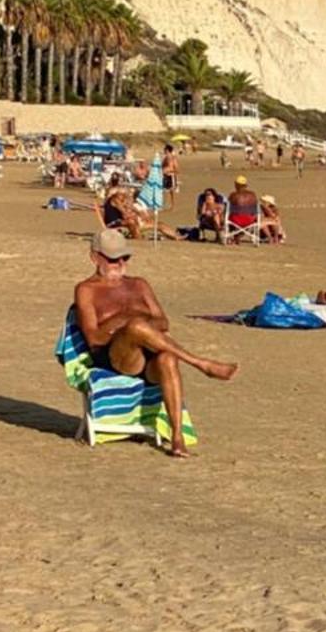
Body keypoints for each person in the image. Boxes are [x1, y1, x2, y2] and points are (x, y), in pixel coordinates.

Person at [74, 229, 237, 457]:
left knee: (167, 358)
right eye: (113, 259)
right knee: (135, 326)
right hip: (115, 357)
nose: (120, 263)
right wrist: (125, 323)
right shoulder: (86, 291)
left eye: (125, 257)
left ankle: (177, 438)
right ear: (95, 257)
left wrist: (136, 323)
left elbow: (162, 321)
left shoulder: (139, 285)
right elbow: (93, 337)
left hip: (147, 355)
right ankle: (201, 364)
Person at [226, 175, 260, 239]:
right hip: (250, 220)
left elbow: (228, 208)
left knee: (228, 215)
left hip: (236, 220)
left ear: (237, 185)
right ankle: (239, 235)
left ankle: (235, 236)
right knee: (249, 215)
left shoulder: (233, 195)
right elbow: (255, 207)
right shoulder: (252, 195)